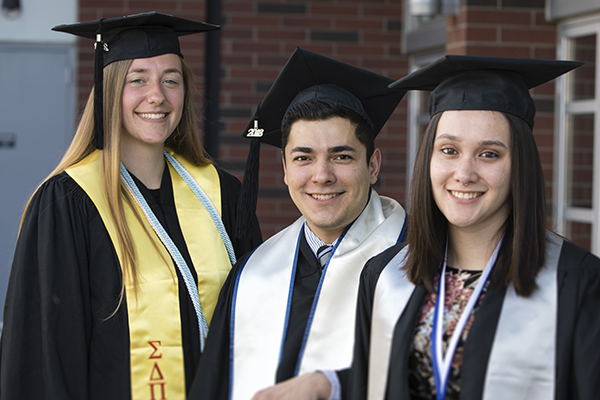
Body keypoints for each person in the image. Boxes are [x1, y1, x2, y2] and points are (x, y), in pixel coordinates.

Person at [0, 12, 262, 400]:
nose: (157, 95)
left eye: (170, 80)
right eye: (137, 80)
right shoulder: (68, 204)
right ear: (108, 90)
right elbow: (45, 354)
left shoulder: (221, 196)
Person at [344, 55, 600, 400]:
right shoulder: (384, 275)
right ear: (428, 160)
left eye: (489, 154)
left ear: (519, 165)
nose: (464, 173)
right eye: (449, 150)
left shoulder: (576, 281)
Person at [189, 47, 407, 400]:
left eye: (342, 156)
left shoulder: (417, 263)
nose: (321, 176)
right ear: (285, 170)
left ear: (374, 165)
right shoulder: (252, 276)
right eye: (304, 157)